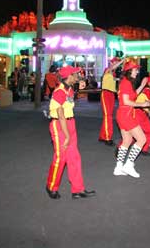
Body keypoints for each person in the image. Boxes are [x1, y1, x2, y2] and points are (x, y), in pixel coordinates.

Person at [45, 66, 96, 199]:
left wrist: (81, 84)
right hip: (59, 125)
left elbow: (71, 98)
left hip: (70, 123)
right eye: (75, 74)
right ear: (69, 76)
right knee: (60, 158)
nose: (78, 75)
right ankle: (51, 186)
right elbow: (60, 113)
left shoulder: (69, 89)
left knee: (74, 157)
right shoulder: (59, 91)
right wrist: (67, 135)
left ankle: (77, 190)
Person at [113, 61, 150, 178]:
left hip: (123, 114)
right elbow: (126, 101)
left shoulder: (126, 82)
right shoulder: (126, 83)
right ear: (129, 71)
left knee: (127, 141)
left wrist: (142, 85)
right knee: (142, 139)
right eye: (135, 70)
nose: (137, 71)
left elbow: (133, 95)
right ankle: (128, 165)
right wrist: (142, 104)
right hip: (127, 115)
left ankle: (118, 167)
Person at [99, 58, 124, 146]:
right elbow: (113, 68)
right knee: (108, 116)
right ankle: (107, 138)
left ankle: (102, 136)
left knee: (108, 116)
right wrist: (122, 61)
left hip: (111, 95)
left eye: (118, 61)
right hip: (105, 94)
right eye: (115, 61)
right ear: (111, 62)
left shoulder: (113, 74)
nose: (117, 63)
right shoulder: (107, 70)